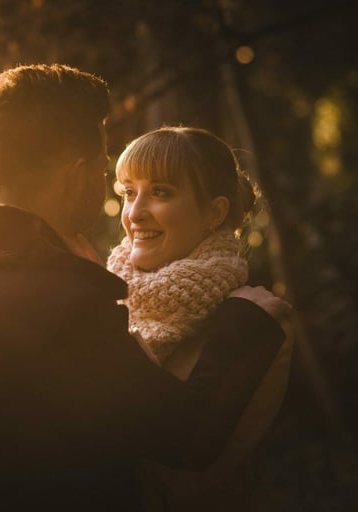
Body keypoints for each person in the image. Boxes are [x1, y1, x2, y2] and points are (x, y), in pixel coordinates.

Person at [0, 64, 289, 512]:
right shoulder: (69, 300)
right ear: (75, 176)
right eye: (109, 177)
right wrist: (247, 318)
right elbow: (188, 438)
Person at [106, 126, 294, 510]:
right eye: (129, 192)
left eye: (160, 191)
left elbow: (188, 447)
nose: (135, 212)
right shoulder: (109, 297)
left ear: (215, 212)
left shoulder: (253, 317)